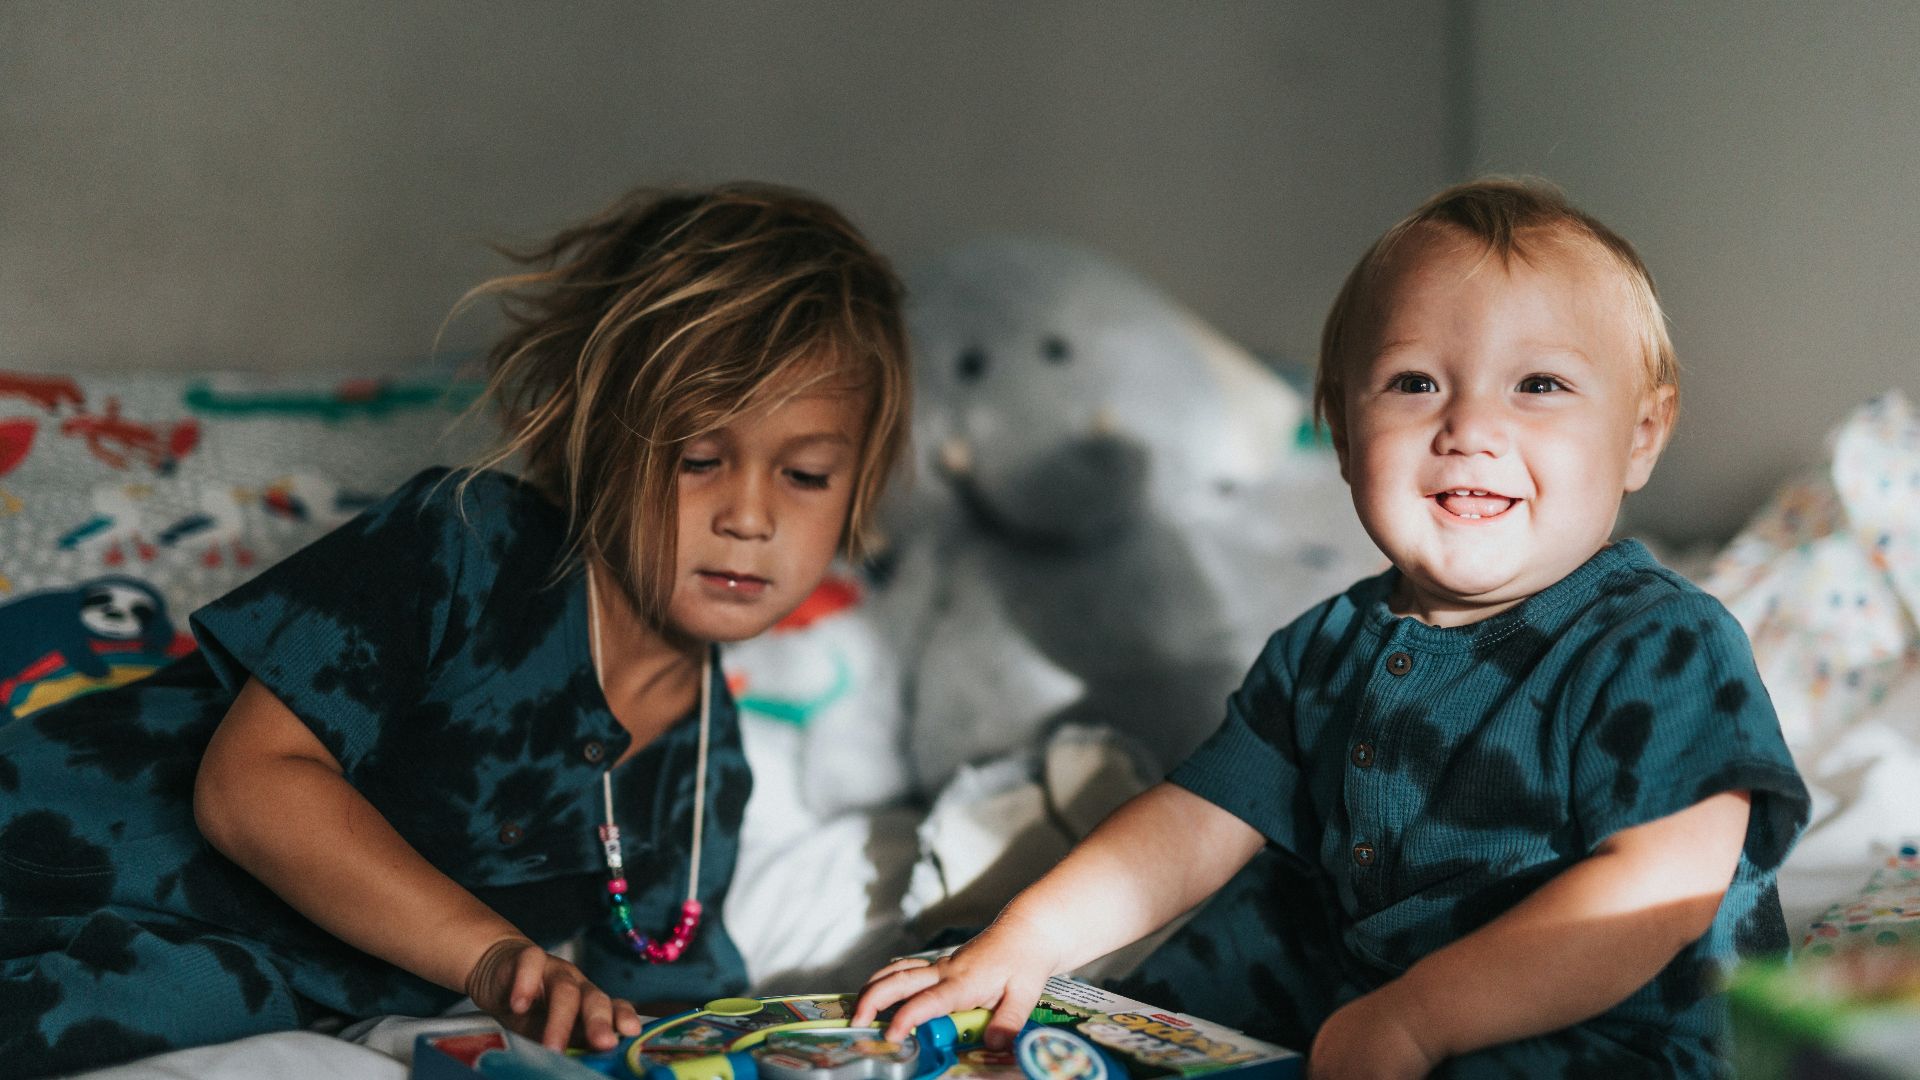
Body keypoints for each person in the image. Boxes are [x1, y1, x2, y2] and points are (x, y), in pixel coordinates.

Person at [854, 178, 1808, 1079]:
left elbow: (1658, 890)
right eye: (1415, 384)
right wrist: (1023, 941)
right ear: (1344, 437)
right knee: (1227, 930)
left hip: (1617, 1027)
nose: (1471, 426)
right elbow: (1193, 823)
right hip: (1370, 980)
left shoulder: (1663, 645)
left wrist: (1422, 1015)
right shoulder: (1326, 646)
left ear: (1641, 435)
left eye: (1541, 385)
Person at [0, 182, 910, 1077]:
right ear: (593, 438)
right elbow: (250, 788)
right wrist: (489, 957)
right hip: (60, 845)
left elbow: (667, 1020)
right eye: (699, 460)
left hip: (207, 987)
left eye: (807, 476)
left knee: (149, 1014)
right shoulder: (467, 544)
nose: (749, 516)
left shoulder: (704, 770)